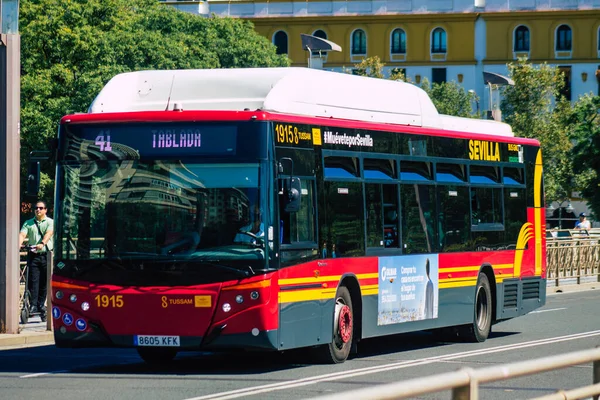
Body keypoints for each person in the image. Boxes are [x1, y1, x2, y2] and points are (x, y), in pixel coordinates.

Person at [18, 201, 54, 319]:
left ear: (45, 210)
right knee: (33, 281)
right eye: (36, 208)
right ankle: (33, 305)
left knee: (44, 282)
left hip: (46, 255)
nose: (38, 210)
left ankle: (41, 305)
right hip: (33, 256)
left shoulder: (50, 222)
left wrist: (42, 243)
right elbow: (22, 235)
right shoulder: (29, 223)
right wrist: (18, 245)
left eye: (41, 208)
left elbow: (49, 233)